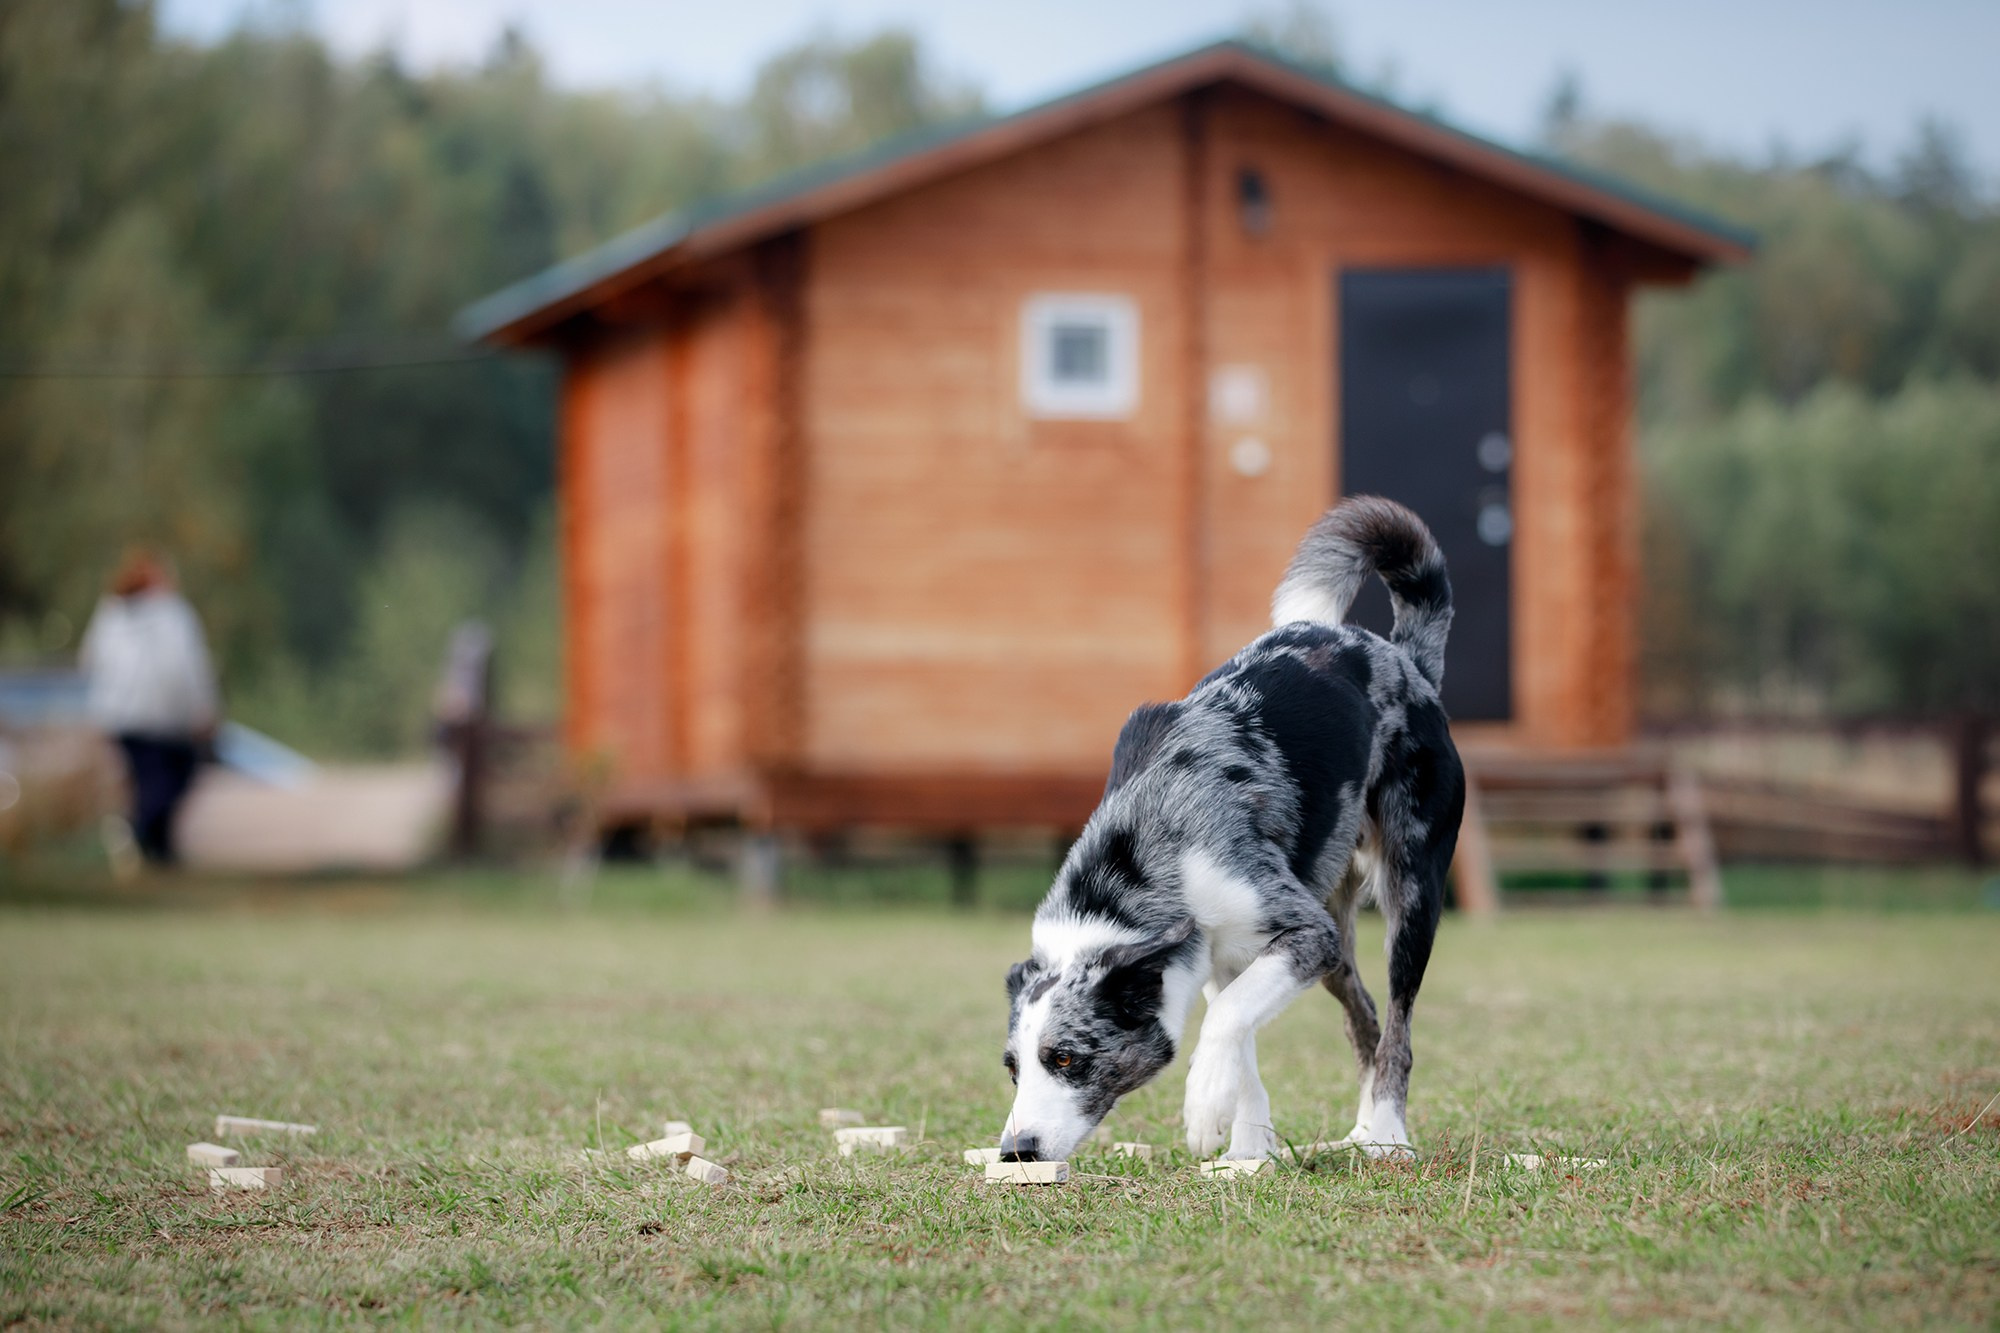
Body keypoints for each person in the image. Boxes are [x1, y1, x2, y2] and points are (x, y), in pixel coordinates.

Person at [78, 548, 219, 866]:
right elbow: (189, 668)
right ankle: (139, 832)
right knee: (172, 779)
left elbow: (90, 661)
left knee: (148, 781)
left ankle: (158, 849)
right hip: (164, 716)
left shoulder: (110, 614)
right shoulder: (174, 614)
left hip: (120, 715)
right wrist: (203, 708)